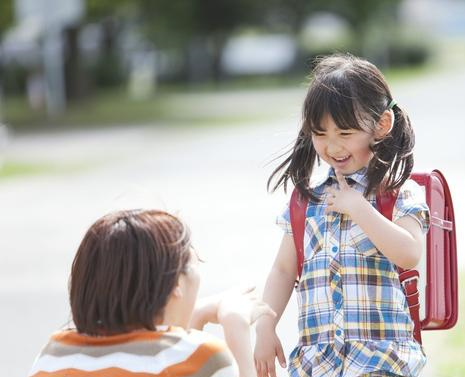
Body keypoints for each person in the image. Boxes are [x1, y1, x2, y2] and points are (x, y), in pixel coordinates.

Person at [254, 54, 430, 377]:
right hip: (318, 365)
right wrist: (266, 323)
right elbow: (282, 270)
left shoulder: (396, 193)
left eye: (345, 133)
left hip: (380, 362)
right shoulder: (306, 202)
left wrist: (359, 208)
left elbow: (409, 253)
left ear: (381, 126)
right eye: (320, 134)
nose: (332, 146)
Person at [29, 209, 275, 377]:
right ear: (176, 283)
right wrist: (236, 326)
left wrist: (196, 317)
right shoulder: (202, 355)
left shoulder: (53, 354)